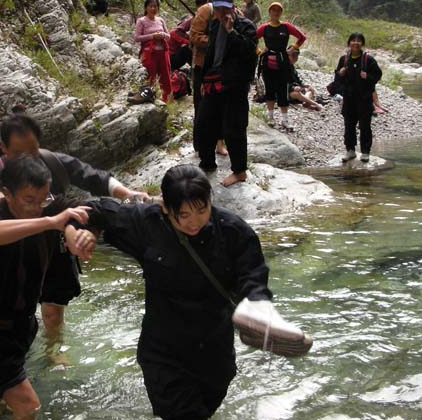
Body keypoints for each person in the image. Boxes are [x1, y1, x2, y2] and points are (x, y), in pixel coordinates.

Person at [65, 165, 280, 420]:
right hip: (164, 354)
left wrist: (258, 305)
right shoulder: (146, 223)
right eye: (184, 215)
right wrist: (77, 234)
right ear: (166, 208)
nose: (195, 222)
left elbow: (253, 275)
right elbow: (84, 210)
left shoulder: (233, 231)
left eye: (202, 211)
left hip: (215, 354)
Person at [0, 106, 149, 334]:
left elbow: (91, 176)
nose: (29, 159)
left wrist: (127, 195)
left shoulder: (51, 162)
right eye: (19, 154)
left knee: (53, 307)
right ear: (4, 150)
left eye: (33, 151)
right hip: (18, 246)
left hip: (54, 246)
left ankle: (54, 347)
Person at [0, 154, 95, 418]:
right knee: (29, 405)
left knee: (9, 397)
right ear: (7, 194)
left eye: (42, 199)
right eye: (28, 200)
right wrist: (50, 223)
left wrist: (76, 234)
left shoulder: (49, 207)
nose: (36, 207)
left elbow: (77, 215)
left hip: (19, 329)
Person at [193, 0, 258, 186]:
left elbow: (248, 52)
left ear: (231, 7)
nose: (221, 12)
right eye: (218, 8)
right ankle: (207, 163)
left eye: (224, 8)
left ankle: (239, 172)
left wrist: (231, 32)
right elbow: (210, 54)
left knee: (234, 128)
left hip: (235, 84)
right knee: (204, 122)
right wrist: (204, 80)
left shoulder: (246, 26)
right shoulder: (213, 24)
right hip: (214, 81)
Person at [190, 0, 246, 156]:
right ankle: (199, 146)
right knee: (202, 106)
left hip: (225, 70)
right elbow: (194, 36)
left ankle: (219, 143)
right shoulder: (207, 10)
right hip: (203, 66)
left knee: (223, 108)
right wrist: (214, 42)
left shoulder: (237, 13)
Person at [256, 2, 306, 130]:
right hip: (268, 62)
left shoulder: (286, 26)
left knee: (283, 89)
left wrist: (293, 48)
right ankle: (270, 117)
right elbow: (251, 38)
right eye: (273, 10)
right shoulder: (264, 28)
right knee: (270, 89)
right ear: (270, 12)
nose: (276, 13)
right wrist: (259, 51)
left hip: (283, 62)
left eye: (278, 10)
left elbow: (301, 37)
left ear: (281, 13)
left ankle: (285, 120)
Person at [335, 32, 382, 162]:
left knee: (365, 126)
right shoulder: (344, 59)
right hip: (349, 98)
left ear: (362, 44)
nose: (356, 43)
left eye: (359, 41)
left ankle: (365, 152)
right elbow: (337, 78)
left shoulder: (368, 60)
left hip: (364, 98)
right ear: (349, 43)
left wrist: (368, 77)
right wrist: (341, 73)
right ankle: (350, 150)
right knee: (349, 124)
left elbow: (377, 75)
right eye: (353, 40)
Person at [134, 0, 172, 102]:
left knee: (165, 76)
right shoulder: (141, 21)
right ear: (146, 7)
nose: (153, 8)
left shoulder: (160, 20)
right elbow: (137, 37)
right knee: (149, 76)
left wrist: (162, 35)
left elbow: (169, 36)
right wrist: (152, 36)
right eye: (151, 6)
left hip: (163, 52)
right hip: (149, 53)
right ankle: (146, 96)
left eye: (155, 6)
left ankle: (167, 99)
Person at [167, 0, 209, 71]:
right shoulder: (176, 31)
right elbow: (177, 32)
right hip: (170, 59)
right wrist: (190, 41)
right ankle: (197, 69)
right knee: (188, 49)